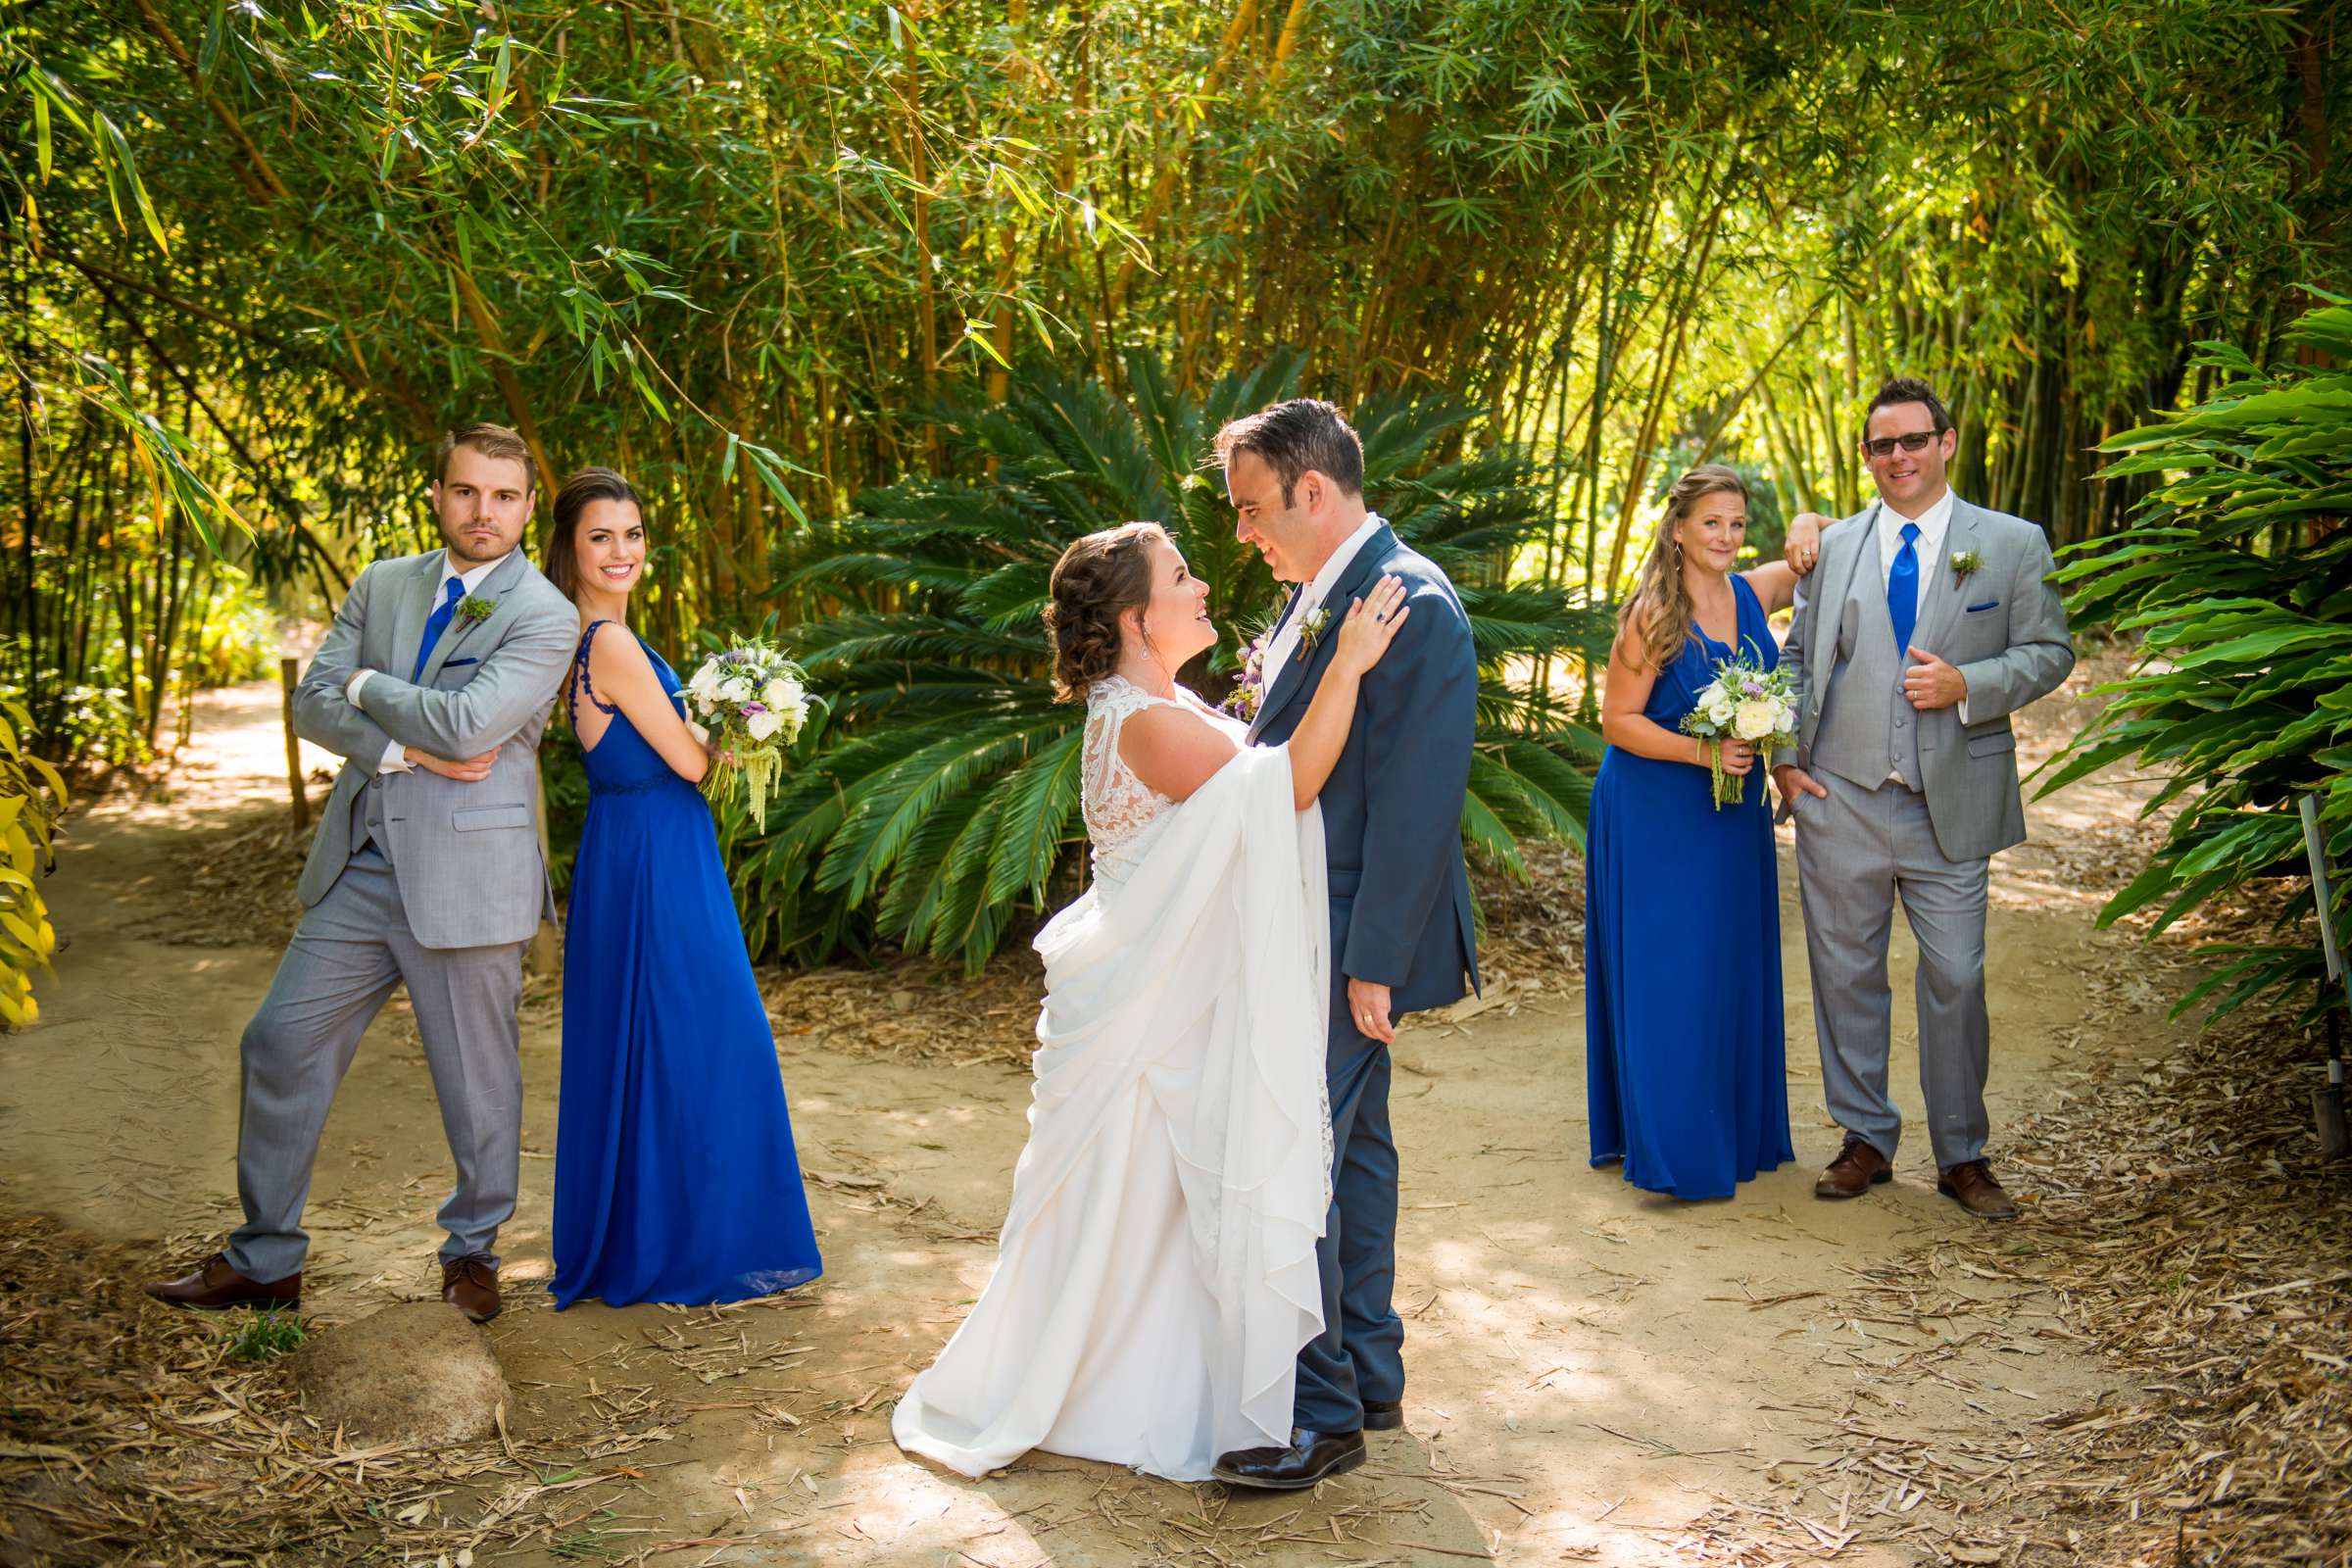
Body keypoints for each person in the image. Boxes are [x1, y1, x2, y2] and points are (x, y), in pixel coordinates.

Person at [891, 521, 1410, 1484]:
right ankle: (1157, 1389)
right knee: (1153, 1201)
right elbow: (1287, 784)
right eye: (1182, 576)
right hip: (1156, 1013)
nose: (1204, 583)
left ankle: (1238, 1381)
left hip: (1167, 998)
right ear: (1137, 616)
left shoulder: (1157, 705)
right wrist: (1347, 664)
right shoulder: (1144, 722)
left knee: (1160, 1207)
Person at [145, 422, 576, 1323]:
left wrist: (368, 686)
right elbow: (310, 698)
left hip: (467, 879)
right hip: (362, 864)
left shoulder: (546, 614)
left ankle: (473, 1253)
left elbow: (466, 727)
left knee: (478, 1084)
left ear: (529, 507)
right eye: (466, 492)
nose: (483, 512)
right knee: (278, 1042)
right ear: (438, 495)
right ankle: (266, 1259)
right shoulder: (385, 581)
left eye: (504, 497)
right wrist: (387, 748)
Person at [1212, 399, 1481, 1491]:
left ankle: (1320, 1414)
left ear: (1311, 492)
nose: (1242, 533)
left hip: (1344, 928)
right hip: (1311, 918)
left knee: (1303, 1159)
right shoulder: (1329, 595)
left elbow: (1420, 799)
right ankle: (1368, 1372)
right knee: (1354, 1149)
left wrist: (1374, 958)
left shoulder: (1407, 600)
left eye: (1250, 509)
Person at [1773, 378, 2075, 1218]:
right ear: (1867, 457)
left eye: (1913, 440)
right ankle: (1866, 1138)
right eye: (1882, 445)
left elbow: (2051, 652)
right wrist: (1786, 762)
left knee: (1958, 976)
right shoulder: (1834, 547)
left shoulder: (2010, 543)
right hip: (1842, 797)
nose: (1898, 457)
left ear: (1947, 442)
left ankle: (1962, 1152)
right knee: (1845, 975)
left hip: (1951, 800)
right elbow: (1799, 660)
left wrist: (1969, 683)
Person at [537, 467, 822, 1307]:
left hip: (633, 847)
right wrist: (737, 724)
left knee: (658, 1041)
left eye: (631, 535)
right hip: (656, 854)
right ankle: (695, 1243)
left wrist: (733, 720)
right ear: (571, 548)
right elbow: (694, 761)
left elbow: (681, 745)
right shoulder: (612, 644)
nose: (620, 551)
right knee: (713, 1035)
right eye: (600, 537)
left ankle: (656, 1234)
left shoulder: (594, 640)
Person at [1584, 466, 1826, 1200]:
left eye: (1737, 524)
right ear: (1680, 528)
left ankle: (1728, 1129)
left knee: (1723, 967)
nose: (1725, 536)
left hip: (1728, 817)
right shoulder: (1653, 614)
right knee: (1672, 974)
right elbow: (1617, 722)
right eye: (1711, 522)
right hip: (1657, 812)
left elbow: (1843, 540)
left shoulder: (1751, 591)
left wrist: (1810, 519)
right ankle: (1677, 1151)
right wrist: (1706, 752)